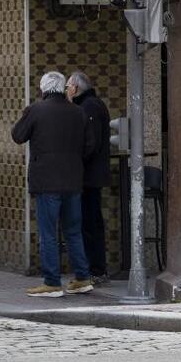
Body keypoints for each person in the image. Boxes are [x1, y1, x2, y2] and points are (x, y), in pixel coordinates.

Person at [12, 71, 96, 298]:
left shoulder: (36, 110)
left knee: (48, 233)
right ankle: (82, 278)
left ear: (43, 89)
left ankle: (52, 282)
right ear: (62, 88)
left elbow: (18, 135)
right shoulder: (78, 112)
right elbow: (90, 146)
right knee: (73, 231)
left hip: (47, 182)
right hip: (73, 181)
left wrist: (25, 115)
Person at [66, 71, 111, 286]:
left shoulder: (89, 107)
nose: (66, 90)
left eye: (68, 86)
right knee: (88, 222)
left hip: (89, 177)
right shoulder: (87, 105)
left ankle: (96, 269)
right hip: (87, 175)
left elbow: (89, 143)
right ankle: (94, 268)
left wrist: (76, 162)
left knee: (90, 223)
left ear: (76, 88)